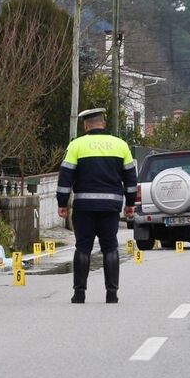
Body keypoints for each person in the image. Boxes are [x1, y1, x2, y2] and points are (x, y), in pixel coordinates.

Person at [57, 108, 137, 304]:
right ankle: (112, 293)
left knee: (83, 247)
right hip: (111, 206)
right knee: (110, 246)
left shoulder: (76, 145)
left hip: (84, 205)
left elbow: (65, 176)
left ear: (86, 125)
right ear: (104, 122)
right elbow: (130, 177)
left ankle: (79, 293)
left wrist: (62, 202)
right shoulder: (121, 145)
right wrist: (130, 203)